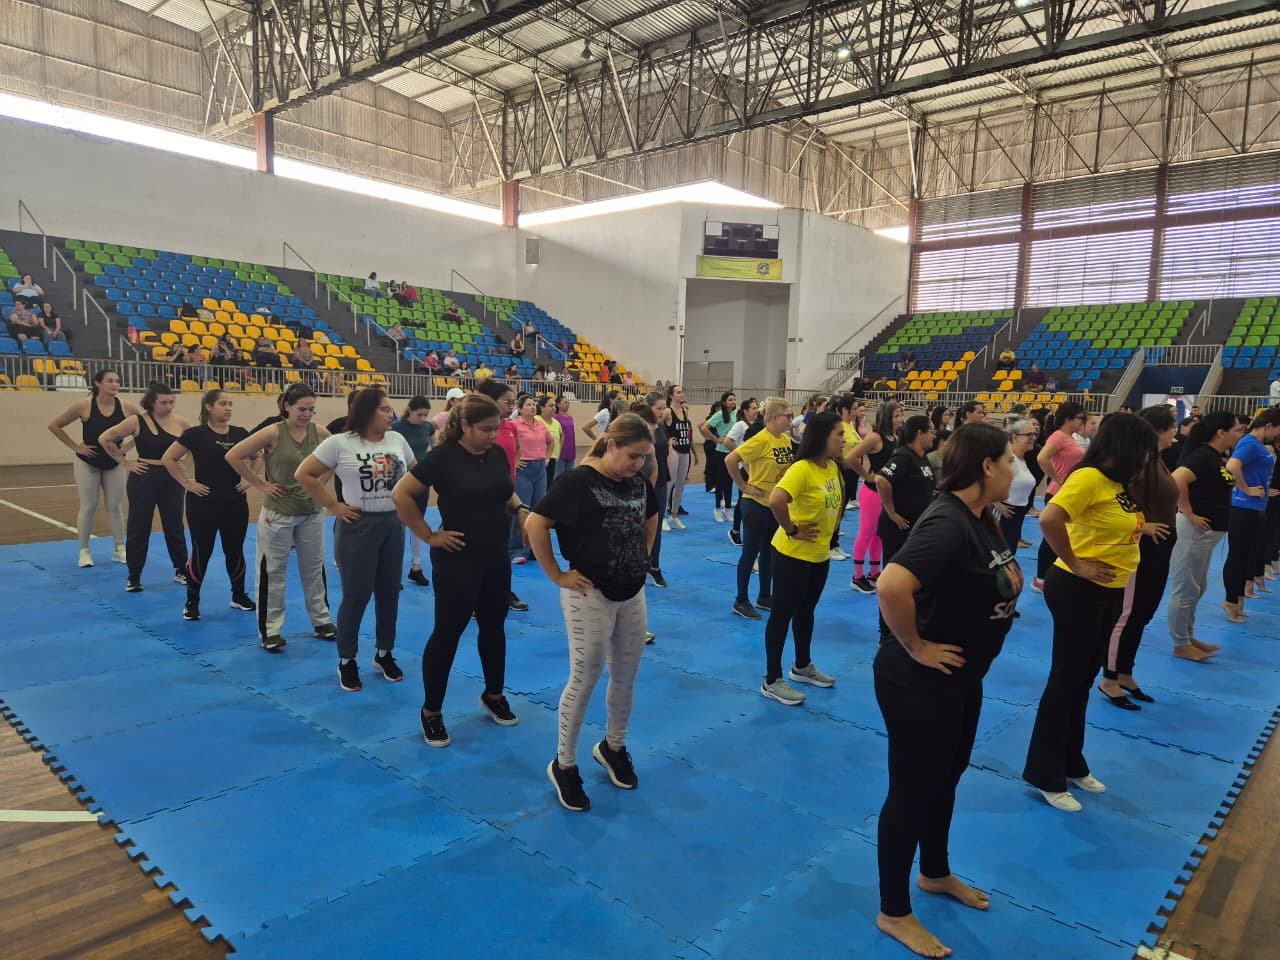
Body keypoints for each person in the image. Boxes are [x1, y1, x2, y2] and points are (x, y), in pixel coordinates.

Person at [874, 423, 1023, 958]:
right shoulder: (948, 522)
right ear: (986, 466)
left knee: (946, 779)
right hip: (918, 680)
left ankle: (934, 873)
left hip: (962, 677)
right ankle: (893, 911)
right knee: (912, 791)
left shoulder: (983, 518)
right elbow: (891, 584)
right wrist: (916, 646)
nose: (1015, 470)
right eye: (1009, 460)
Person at [526, 414, 659, 813]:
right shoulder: (577, 482)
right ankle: (564, 764)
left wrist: (644, 556)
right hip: (590, 593)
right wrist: (556, 575)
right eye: (633, 456)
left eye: (644, 458)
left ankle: (613, 746)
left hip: (632, 591)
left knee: (626, 675)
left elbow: (651, 514)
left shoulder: (636, 481)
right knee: (585, 677)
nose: (638, 465)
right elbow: (535, 523)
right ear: (611, 445)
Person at [1023, 413, 1156, 812]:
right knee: (1067, 680)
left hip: (1107, 590)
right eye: (1145, 450)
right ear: (1125, 448)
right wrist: (1077, 563)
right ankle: (1044, 773)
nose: (1149, 458)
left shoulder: (1117, 485)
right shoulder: (1088, 478)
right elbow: (1049, 518)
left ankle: (1071, 761)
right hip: (1077, 588)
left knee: (1082, 679)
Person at [393, 394, 529, 748]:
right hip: (458, 558)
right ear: (465, 425)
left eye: (496, 428)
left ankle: (494, 694)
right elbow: (402, 495)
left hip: (495, 555)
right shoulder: (444, 457)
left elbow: (505, 492)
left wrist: (522, 510)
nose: (492, 435)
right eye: (485, 429)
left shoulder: (497, 453)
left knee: (494, 625)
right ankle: (431, 712)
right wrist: (429, 535)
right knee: (448, 632)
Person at [296, 388, 415, 692]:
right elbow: (305, 474)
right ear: (366, 412)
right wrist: (333, 506)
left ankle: (384, 653)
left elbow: (416, 473)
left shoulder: (397, 440)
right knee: (356, 595)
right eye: (385, 409)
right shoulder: (339, 443)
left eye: (391, 409)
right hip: (357, 526)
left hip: (392, 524)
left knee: (389, 593)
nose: (391, 415)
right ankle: (347, 659)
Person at [226, 383, 335, 650]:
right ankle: (270, 631)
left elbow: (335, 457)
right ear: (287, 406)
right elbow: (234, 455)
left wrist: (319, 484)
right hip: (279, 513)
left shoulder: (319, 432)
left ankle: (321, 621)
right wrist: (260, 484)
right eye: (302, 409)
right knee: (273, 571)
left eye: (311, 409)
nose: (307, 414)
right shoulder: (273, 432)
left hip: (311, 512)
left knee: (314, 569)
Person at [758, 412, 843, 706]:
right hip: (792, 554)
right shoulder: (802, 468)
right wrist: (791, 529)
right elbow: (776, 499)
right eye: (839, 434)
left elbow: (836, 503)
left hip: (819, 554)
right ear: (822, 438)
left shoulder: (831, 467)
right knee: (783, 613)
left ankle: (802, 666)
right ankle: (771, 679)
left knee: (807, 610)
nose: (844, 440)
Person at [1099, 405, 1178, 709]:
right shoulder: (1139, 464)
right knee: (1127, 613)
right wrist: (1144, 527)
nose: (1176, 431)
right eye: (1172, 426)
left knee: (1143, 614)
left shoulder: (1157, 460)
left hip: (1161, 546)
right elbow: (1118, 503)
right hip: (1141, 546)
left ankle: (1125, 673)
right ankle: (1108, 678)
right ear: (1159, 430)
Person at [162, 389, 255, 621]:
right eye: (223, 403)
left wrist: (250, 478)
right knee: (202, 552)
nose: (228, 408)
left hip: (234, 503)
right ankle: (192, 601)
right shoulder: (195, 434)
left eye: (230, 403)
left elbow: (257, 455)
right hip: (203, 504)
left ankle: (239, 595)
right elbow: (168, 458)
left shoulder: (241, 433)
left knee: (235, 550)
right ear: (209, 407)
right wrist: (187, 483)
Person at [98, 382, 191, 592]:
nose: (168, 406)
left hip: (171, 478)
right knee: (139, 526)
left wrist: (186, 464)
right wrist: (126, 463)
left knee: (174, 525)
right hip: (144, 476)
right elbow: (105, 439)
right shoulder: (136, 421)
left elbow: (194, 444)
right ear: (151, 402)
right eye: (163, 402)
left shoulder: (181, 422)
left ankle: (181, 569)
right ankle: (134, 575)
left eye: (171, 402)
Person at [1166, 412, 1244, 661]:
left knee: (1198, 588)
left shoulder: (1215, 458)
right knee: (1186, 589)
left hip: (1207, 535)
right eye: (1236, 430)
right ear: (1221, 433)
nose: (1238, 434)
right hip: (1193, 532)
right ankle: (1180, 643)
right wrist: (1187, 511)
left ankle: (1188, 636)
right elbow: (1177, 478)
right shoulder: (1202, 456)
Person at [48, 370, 137, 568]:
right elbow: (55, 425)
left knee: (115, 506)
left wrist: (127, 447)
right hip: (88, 460)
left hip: (115, 461)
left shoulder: (126, 407)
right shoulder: (84, 405)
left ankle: (120, 548)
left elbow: (147, 425)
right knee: (89, 505)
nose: (115, 384)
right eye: (110, 381)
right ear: (98, 383)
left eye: (117, 381)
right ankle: (85, 550)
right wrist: (76, 446)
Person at [725, 398, 795, 620]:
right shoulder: (761, 439)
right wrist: (744, 485)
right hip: (755, 504)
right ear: (774, 418)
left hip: (774, 505)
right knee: (750, 552)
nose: (791, 421)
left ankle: (765, 596)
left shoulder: (784, 439)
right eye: (788, 416)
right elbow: (730, 459)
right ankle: (741, 600)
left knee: (769, 552)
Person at [873, 416, 937, 641]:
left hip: (916, 529)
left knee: (914, 581)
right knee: (892, 582)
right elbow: (881, 480)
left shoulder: (922, 459)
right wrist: (891, 512)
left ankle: (909, 626)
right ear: (919, 433)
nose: (933, 436)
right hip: (898, 529)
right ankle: (886, 633)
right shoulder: (903, 457)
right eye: (930, 432)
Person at [476, 378, 531, 612]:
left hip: (506, 493)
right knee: (478, 549)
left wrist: (514, 467)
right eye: (506, 402)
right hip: (480, 499)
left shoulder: (509, 426)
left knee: (502, 548)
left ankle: (503, 591)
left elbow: (516, 449)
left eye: (513, 402)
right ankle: (474, 596)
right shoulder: (477, 429)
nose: (511, 406)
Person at [1222, 408, 1280, 621]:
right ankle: (1230, 600)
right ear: (1269, 426)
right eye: (1278, 431)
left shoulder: (1258, 445)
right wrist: (1246, 489)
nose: (1277, 436)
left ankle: (1238, 600)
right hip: (1243, 507)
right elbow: (1232, 465)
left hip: (1256, 508)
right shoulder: (1250, 443)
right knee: (1238, 556)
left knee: (1247, 555)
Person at [846, 401, 904, 594]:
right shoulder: (875, 437)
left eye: (900, 415)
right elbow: (851, 458)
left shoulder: (895, 437)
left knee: (880, 534)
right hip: (871, 493)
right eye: (896, 416)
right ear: (887, 417)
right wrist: (866, 475)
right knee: (867, 532)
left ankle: (874, 572)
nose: (899, 419)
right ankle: (857, 576)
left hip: (886, 493)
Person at [1032, 402, 1087, 592]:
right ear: (1068, 419)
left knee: (1062, 538)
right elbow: (1041, 458)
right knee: (1051, 539)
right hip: (1057, 492)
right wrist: (1056, 477)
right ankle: (1040, 578)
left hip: (1067, 492)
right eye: (1080, 418)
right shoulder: (1058, 436)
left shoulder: (1071, 438)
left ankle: (1051, 575)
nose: (1083, 421)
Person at [391, 395, 435, 587]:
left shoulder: (428, 427)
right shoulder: (396, 428)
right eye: (419, 414)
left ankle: (416, 567)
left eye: (426, 414)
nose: (423, 418)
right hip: (400, 482)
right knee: (397, 525)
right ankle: (393, 571)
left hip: (421, 480)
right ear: (409, 410)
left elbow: (435, 448)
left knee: (418, 522)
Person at [629, 392, 672, 588]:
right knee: (633, 525)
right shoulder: (638, 429)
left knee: (656, 525)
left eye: (664, 408)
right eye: (659, 409)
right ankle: (634, 564)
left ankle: (654, 566)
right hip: (636, 482)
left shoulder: (661, 427)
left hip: (659, 482)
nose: (662, 412)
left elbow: (660, 457)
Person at [509, 393, 554, 563]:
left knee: (539, 510)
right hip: (524, 469)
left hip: (540, 468)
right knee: (522, 509)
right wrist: (514, 461)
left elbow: (551, 442)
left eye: (533, 404)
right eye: (528, 404)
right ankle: (517, 550)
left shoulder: (541, 424)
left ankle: (536, 549)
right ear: (519, 409)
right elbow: (506, 445)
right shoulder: (514, 425)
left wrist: (547, 457)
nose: (532, 407)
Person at [723, 397, 761, 546]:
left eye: (757, 407)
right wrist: (739, 455)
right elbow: (727, 441)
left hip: (756, 467)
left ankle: (752, 531)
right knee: (743, 500)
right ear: (745, 411)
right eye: (753, 408)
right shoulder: (740, 425)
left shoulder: (759, 425)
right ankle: (735, 531)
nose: (756, 410)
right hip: (744, 468)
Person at [995, 419, 1038, 549]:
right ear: (1015, 437)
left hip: (1017, 514)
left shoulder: (1022, 459)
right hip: (1005, 514)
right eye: (1028, 435)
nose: (1032, 438)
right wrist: (997, 504)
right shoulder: (1008, 459)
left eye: (1034, 434)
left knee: (1010, 552)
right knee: (1000, 553)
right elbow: (983, 480)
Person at [700, 391, 739, 522]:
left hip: (733, 452)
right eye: (730, 400)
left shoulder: (737, 414)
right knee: (720, 482)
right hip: (721, 452)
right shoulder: (719, 414)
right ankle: (717, 509)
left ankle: (727, 509)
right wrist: (716, 439)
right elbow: (704, 428)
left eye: (734, 399)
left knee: (730, 481)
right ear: (724, 402)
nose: (733, 402)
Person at [665, 384, 695, 527]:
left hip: (685, 450)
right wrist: (668, 440)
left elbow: (688, 431)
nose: (682, 394)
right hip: (674, 451)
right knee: (669, 483)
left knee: (680, 484)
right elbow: (656, 426)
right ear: (671, 396)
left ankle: (674, 515)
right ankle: (662, 516)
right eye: (678, 392)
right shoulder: (667, 412)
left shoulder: (684, 410)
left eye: (682, 392)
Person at [537, 395, 563, 490]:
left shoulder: (556, 422)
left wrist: (559, 450)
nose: (554, 408)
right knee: (540, 487)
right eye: (550, 406)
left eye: (554, 406)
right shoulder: (536, 419)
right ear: (542, 408)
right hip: (539, 459)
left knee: (549, 486)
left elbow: (561, 436)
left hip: (552, 458)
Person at [551, 394, 577, 484]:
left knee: (569, 476)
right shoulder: (555, 418)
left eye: (568, 402)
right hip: (561, 450)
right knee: (559, 476)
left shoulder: (570, 418)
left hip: (571, 449)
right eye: (565, 402)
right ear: (558, 404)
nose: (567, 404)